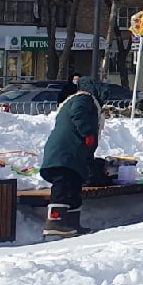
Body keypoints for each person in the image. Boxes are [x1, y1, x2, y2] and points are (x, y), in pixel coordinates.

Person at [40, 80, 103, 238]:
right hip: (64, 152)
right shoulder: (83, 98)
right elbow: (78, 112)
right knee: (63, 184)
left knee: (73, 186)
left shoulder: (78, 101)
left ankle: (72, 223)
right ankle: (55, 221)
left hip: (71, 152)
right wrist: (87, 133)